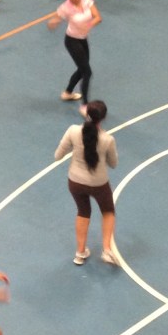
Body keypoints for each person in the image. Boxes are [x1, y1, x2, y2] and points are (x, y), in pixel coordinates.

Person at [54, 99, 118, 264]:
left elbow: (57, 156)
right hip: (99, 184)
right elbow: (113, 163)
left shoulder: (73, 131)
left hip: (75, 181)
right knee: (108, 211)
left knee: (83, 211)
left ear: (86, 113)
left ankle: (80, 253)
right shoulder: (107, 139)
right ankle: (106, 250)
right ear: (103, 118)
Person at [47, 0, 101, 106]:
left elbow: (98, 17)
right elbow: (55, 19)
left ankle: (67, 93)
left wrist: (88, 25)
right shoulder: (65, 8)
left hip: (83, 39)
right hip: (72, 41)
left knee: (82, 69)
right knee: (87, 72)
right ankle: (85, 105)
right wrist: (53, 22)